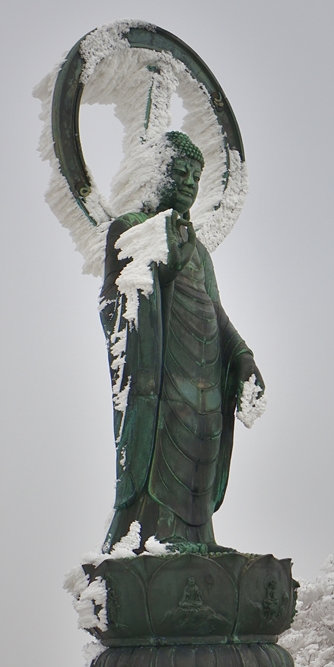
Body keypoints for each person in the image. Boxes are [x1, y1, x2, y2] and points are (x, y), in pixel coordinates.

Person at [100, 131, 263, 553]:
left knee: (202, 441)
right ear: (157, 174)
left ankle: (199, 535)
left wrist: (242, 356)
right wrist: (164, 270)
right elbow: (116, 298)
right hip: (160, 366)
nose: (189, 183)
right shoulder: (130, 229)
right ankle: (157, 537)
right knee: (167, 440)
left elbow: (216, 311)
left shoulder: (200, 252)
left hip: (204, 366)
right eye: (180, 172)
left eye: (196, 176)